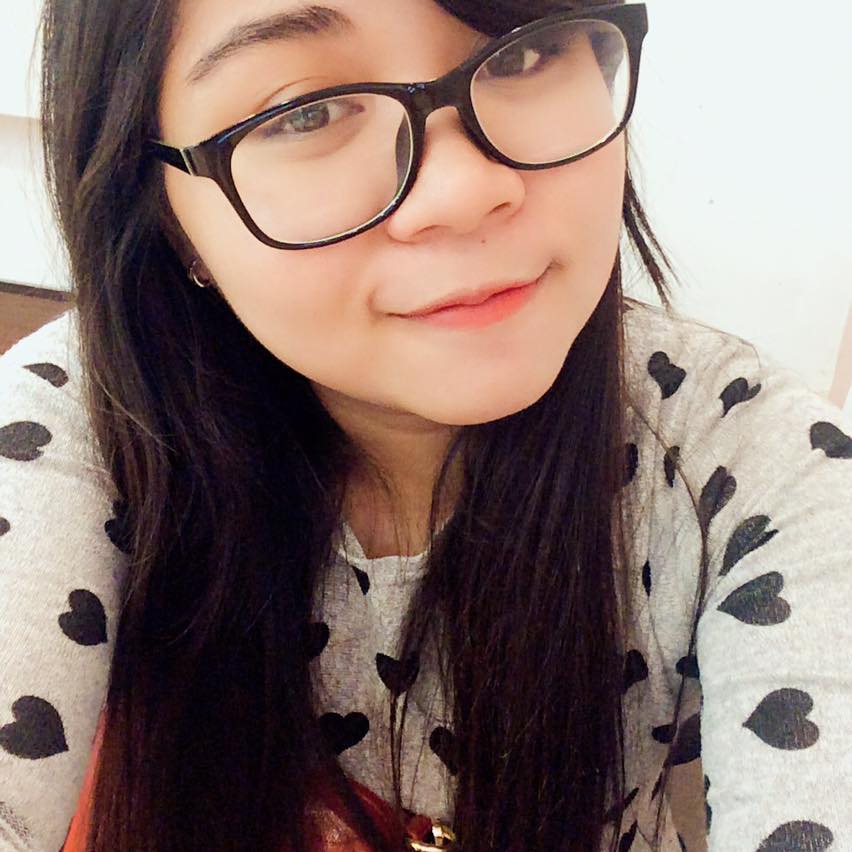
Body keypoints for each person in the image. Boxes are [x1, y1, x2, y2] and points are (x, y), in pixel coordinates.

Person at [0, 0, 850, 849]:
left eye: (523, 54)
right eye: (307, 112)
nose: (464, 189)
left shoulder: (751, 463)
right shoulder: (75, 434)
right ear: (164, 210)